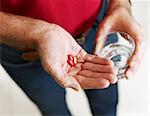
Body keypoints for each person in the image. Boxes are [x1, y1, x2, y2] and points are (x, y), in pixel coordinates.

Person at [0, 0, 144, 116]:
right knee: (54, 111)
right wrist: (36, 32)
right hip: (23, 50)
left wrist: (120, 5)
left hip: (100, 27)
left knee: (106, 104)